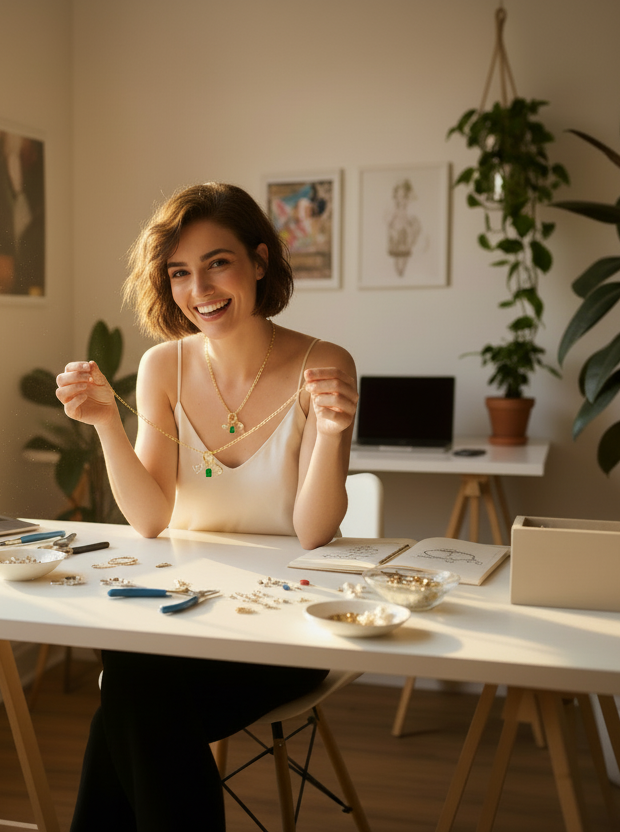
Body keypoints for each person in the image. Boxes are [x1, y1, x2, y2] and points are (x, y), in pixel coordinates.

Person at [54, 182, 358, 831]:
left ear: (259, 261)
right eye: (180, 272)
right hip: (185, 619)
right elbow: (150, 518)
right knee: (139, 680)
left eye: (217, 262)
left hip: (286, 628)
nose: (200, 289)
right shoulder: (164, 366)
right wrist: (107, 422)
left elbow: (314, 529)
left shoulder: (323, 364)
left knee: (132, 691)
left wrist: (331, 434)